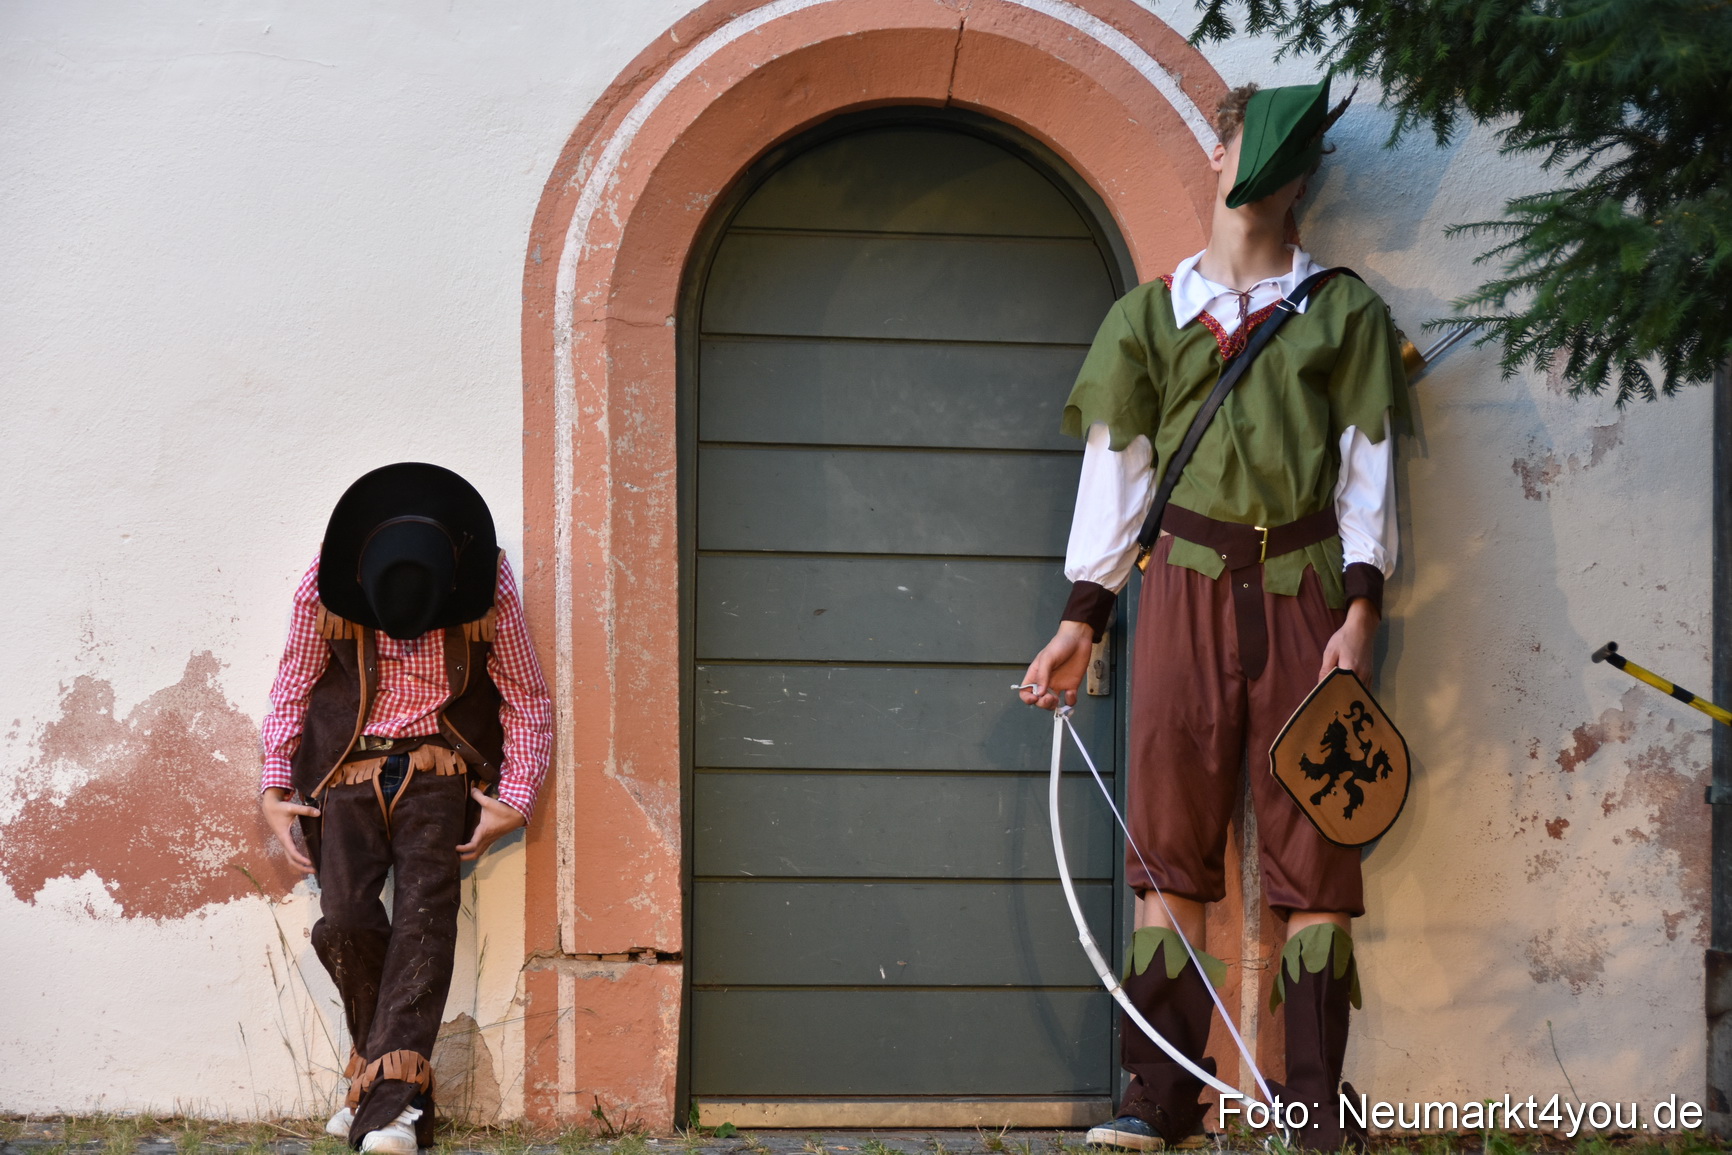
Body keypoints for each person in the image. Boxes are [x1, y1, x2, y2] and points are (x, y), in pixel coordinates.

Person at [1019, 78, 1406, 1152]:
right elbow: (1115, 477)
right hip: (1181, 586)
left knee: (1318, 844)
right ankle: (1160, 1098)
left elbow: (1365, 470)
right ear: (1215, 158)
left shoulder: (1343, 311)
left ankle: (1314, 1105)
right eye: (1236, 143)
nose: (1249, 166)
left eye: (1270, 150)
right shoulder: (1148, 317)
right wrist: (1078, 620)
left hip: (1309, 592)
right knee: (1166, 849)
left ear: (1298, 178)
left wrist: (1362, 605)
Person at [259, 463, 553, 1154]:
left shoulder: (489, 582)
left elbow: (526, 695)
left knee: (425, 923)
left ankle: (391, 1113)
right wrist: (275, 783)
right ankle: (376, 1083)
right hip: (344, 769)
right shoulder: (323, 582)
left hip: (442, 772)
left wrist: (516, 795)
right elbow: (293, 684)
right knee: (348, 920)